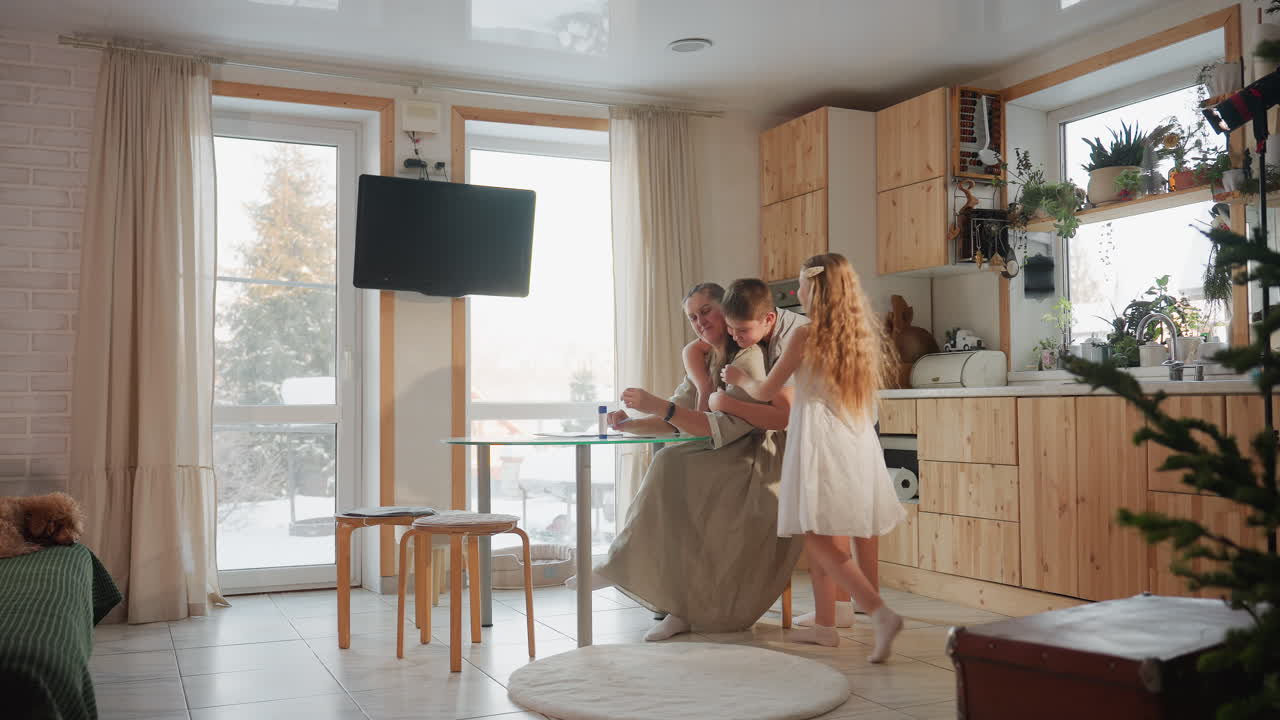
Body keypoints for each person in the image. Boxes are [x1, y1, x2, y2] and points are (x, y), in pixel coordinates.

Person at [586, 282, 803, 641]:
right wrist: (628, 424)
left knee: (669, 465)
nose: (700, 321)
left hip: (750, 458)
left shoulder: (746, 358)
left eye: (706, 311)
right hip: (720, 454)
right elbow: (679, 413)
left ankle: (621, 567)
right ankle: (677, 606)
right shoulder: (701, 359)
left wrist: (660, 407)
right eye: (692, 317)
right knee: (672, 474)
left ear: (727, 310)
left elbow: (720, 427)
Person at [722, 253, 906, 663]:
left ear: (814, 291)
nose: (796, 293)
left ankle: (877, 612)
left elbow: (767, 390)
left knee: (820, 538)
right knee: (825, 534)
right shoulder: (858, 336)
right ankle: (829, 624)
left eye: (801, 287)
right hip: (855, 442)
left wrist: (739, 380)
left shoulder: (804, 336)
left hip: (821, 444)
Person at [711, 278, 876, 629]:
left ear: (769, 319)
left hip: (832, 432)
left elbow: (781, 406)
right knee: (839, 518)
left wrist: (733, 390)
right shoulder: (791, 329)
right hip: (846, 428)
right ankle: (845, 608)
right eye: (730, 329)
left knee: (828, 522)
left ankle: (839, 612)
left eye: (741, 330)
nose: (734, 336)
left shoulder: (794, 336)